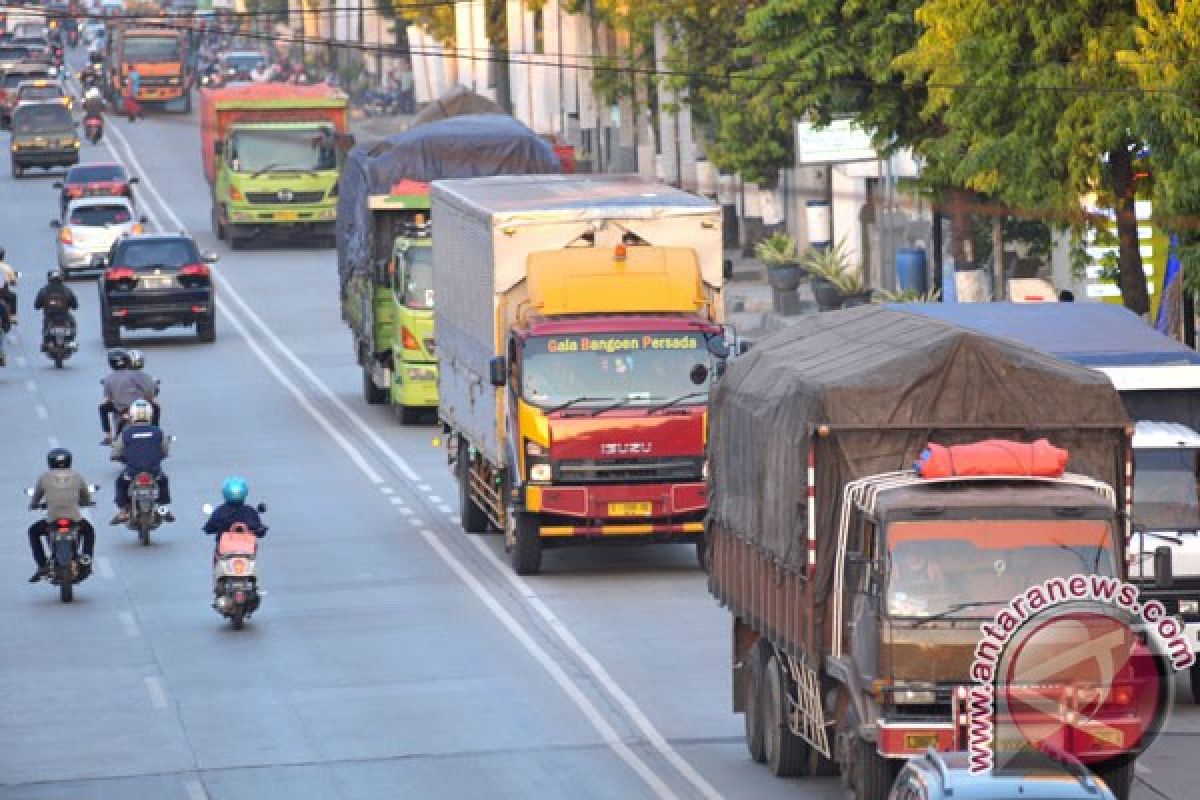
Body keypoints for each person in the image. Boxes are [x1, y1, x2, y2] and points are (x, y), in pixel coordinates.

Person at [27, 448, 96, 583]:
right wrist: (87, 502)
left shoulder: (44, 477)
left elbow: (36, 497)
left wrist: (33, 505)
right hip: (74, 518)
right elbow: (86, 496)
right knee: (89, 531)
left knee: (33, 532)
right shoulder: (77, 476)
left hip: (52, 519)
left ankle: (42, 565)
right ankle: (86, 559)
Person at [111, 399, 172, 523]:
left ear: (132, 415)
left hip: (132, 471)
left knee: (120, 483)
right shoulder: (157, 432)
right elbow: (165, 451)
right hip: (154, 471)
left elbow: (116, 453)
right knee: (163, 481)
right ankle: (163, 507)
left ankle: (123, 511)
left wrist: (120, 458)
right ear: (150, 415)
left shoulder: (126, 433)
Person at [99, 348, 153, 444]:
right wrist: (149, 399)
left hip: (120, 409)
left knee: (102, 407)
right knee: (156, 407)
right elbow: (148, 391)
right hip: (139, 407)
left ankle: (108, 435)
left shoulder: (108, 379)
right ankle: (156, 429)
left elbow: (108, 398)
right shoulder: (136, 375)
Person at [203, 477, 266, 557]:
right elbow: (260, 531)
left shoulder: (220, 510)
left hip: (227, 554)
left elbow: (208, 528)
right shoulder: (249, 510)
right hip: (246, 552)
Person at [33, 270, 77, 345]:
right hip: (64, 315)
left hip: (50, 316)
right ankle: (71, 341)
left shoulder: (44, 290)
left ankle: (47, 342)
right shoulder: (67, 290)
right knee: (72, 323)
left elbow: (37, 305)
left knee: (46, 326)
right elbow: (75, 305)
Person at [125, 349, 161, 425]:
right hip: (142, 404)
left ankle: (109, 433)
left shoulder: (122, 376)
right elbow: (154, 392)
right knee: (156, 407)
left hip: (125, 404)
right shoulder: (147, 377)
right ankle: (155, 429)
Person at [0, 246, 18, 325]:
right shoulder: (7, 267)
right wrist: (13, 282)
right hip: (4, 292)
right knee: (14, 297)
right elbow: (13, 281)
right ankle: (13, 317)